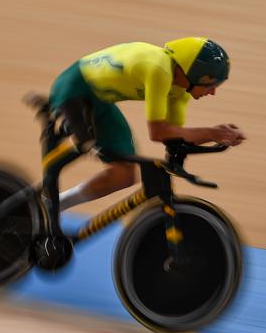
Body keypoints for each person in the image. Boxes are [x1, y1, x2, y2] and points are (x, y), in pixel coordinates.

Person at [30, 36, 245, 212]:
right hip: (74, 90)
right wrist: (213, 133)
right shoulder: (159, 69)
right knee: (86, 144)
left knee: (124, 175)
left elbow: (172, 136)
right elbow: (158, 132)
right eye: (212, 83)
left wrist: (216, 136)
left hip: (99, 102)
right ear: (195, 73)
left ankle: (55, 205)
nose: (214, 92)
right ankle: (38, 194)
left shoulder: (181, 91)